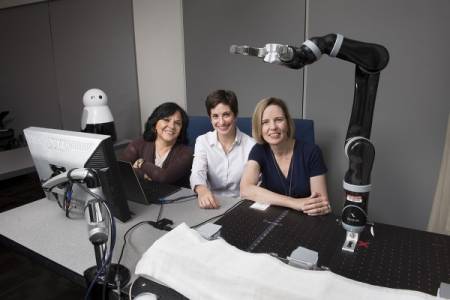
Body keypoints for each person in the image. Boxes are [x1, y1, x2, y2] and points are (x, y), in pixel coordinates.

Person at [240, 97, 331, 216]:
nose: (273, 127)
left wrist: (319, 207)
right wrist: (295, 203)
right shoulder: (259, 150)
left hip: (305, 218)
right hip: (271, 217)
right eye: (265, 122)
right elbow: (245, 189)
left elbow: (321, 205)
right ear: (259, 128)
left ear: (287, 123)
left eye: (278, 120)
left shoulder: (312, 152)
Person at [190, 90, 255, 209]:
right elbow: (197, 172)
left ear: (235, 115)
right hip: (210, 202)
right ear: (210, 118)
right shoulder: (202, 141)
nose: (221, 122)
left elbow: (257, 184)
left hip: (241, 205)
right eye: (215, 116)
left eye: (226, 114)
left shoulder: (251, 145)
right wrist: (202, 190)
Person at [121, 102, 193, 187]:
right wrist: (144, 175)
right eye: (166, 120)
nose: (172, 126)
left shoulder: (187, 153)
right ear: (155, 123)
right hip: (144, 195)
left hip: (175, 198)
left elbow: (164, 177)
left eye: (177, 123)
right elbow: (121, 171)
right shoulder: (138, 144)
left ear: (181, 129)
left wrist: (141, 163)